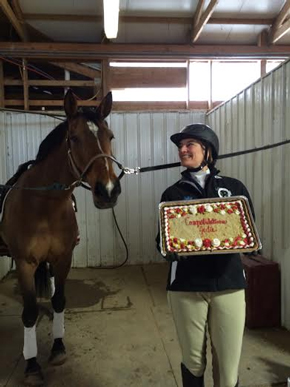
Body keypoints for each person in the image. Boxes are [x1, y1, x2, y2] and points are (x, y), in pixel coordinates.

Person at [156, 124, 255, 387]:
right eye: (180, 146)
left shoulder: (234, 189)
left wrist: (250, 243)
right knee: (193, 361)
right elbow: (161, 244)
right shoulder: (172, 194)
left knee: (228, 366)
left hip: (229, 284)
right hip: (186, 287)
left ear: (207, 150)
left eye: (189, 144)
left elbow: (249, 230)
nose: (182, 149)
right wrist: (171, 249)